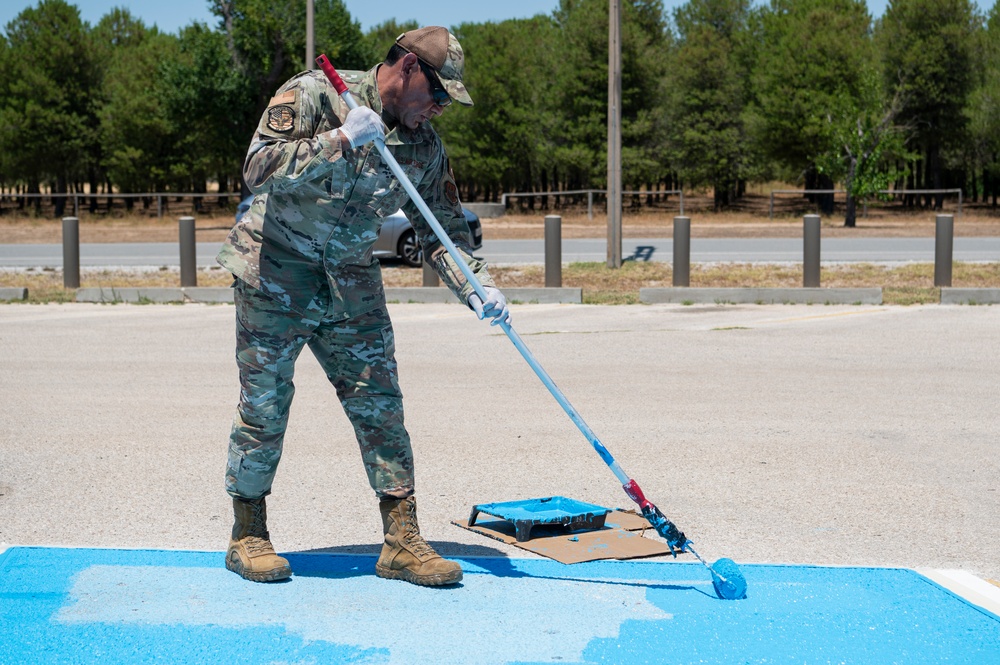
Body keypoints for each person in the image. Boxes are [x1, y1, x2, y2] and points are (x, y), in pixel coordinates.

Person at [216, 26, 510, 587]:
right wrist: (341, 140)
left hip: (351, 281)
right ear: (406, 71)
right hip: (276, 270)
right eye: (438, 93)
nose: (441, 108)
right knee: (265, 404)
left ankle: (401, 540)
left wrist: (477, 286)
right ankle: (247, 533)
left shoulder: (424, 147)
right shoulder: (314, 95)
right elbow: (256, 168)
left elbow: (442, 231)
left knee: (381, 404)